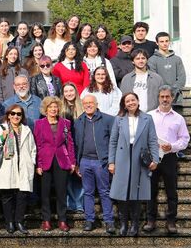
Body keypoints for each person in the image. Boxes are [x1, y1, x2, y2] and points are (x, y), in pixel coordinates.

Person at [109, 92, 160, 236]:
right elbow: (113, 141)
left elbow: (152, 140)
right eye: (127, 101)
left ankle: (135, 224)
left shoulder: (147, 118)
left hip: (139, 158)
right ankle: (124, 223)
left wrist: (155, 159)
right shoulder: (118, 119)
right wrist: (111, 162)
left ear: (138, 101)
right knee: (122, 192)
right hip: (122, 157)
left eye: (133, 100)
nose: (130, 103)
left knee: (136, 193)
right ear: (124, 104)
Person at [144, 86, 190, 234]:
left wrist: (172, 146)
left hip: (169, 158)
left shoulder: (179, 118)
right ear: (158, 98)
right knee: (151, 190)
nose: (165, 99)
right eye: (162, 96)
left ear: (172, 98)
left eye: (167, 96)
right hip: (152, 157)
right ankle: (150, 220)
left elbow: (185, 139)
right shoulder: (149, 116)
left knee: (172, 191)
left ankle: (171, 221)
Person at [33, 96, 76, 232]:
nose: (53, 109)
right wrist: (38, 164)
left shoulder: (65, 123)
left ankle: (62, 220)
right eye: (50, 107)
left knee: (61, 192)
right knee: (45, 192)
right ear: (45, 109)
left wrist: (73, 162)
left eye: (55, 107)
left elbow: (70, 143)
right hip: (45, 161)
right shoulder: (39, 124)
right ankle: (46, 220)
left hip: (62, 160)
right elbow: (37, 145)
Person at [74, 95, 116, 234]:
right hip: (85, 161)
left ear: (96, 104)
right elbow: (76, 143)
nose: (88, 105)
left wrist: (111, 161)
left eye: (91, 102)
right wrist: (77, 163)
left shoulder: (108, 119)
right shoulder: (79, 121)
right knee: (88, 192)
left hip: (101, 162)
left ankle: (109, 221)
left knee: (104, 192)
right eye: (85, 103)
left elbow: (113, 142)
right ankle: (89, 220)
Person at [0, 104, 37, 234]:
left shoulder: (27, 129)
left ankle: (19, 221)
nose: (15, 116)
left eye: (18, 114)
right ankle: (9, 222)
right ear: (8, 115)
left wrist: (32, 163)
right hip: (7, 167)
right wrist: (3, 136)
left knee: (22, 196)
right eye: (13, 114)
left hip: (23, 166)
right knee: (7, 196)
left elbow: (33, 148)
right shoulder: (1, 128)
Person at [148, 32, 186, 106]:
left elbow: (182, 78)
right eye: (161, 41)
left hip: (176, 98)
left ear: (169, 42)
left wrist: (172, 92)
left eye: (166, 41)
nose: (165, 43)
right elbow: (154, 80)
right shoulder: (152, 60)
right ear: (157, 43)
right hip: (159, 99)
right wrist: (164, 93)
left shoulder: (177, 59)